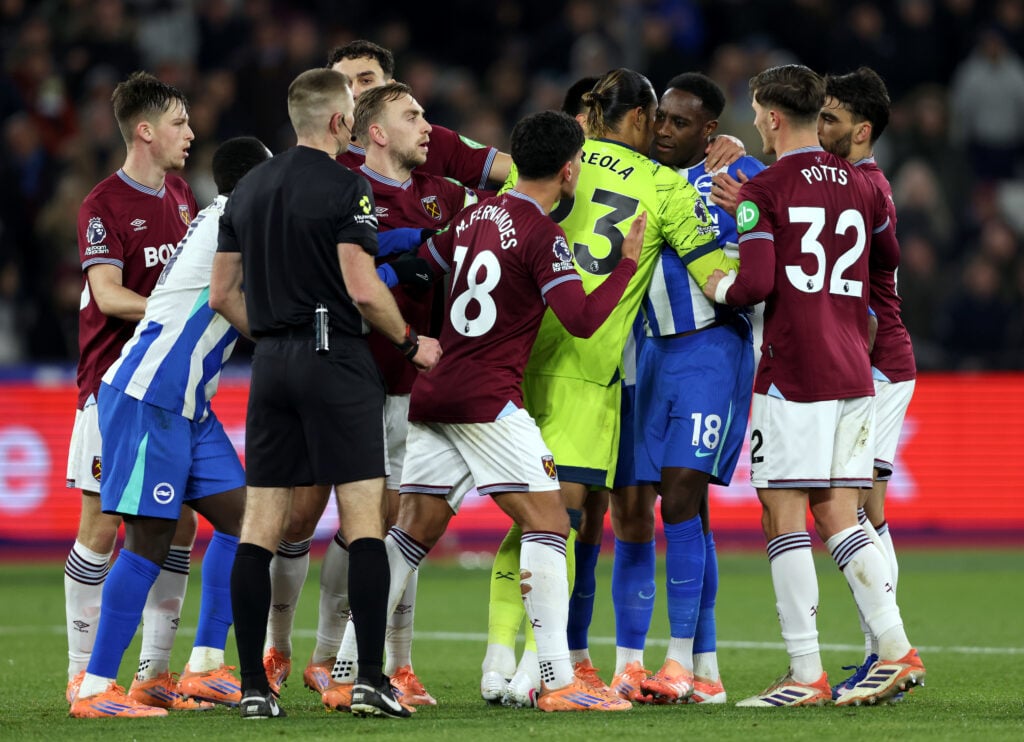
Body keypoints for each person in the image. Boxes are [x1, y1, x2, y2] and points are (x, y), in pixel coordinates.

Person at [481, 68, 735, 706]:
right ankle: (540, 673)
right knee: (559, 522)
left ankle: (495, 660)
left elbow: (503, 225)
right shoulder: (664, 186)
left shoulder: (556, 161)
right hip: (589, 367)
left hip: (513, 354)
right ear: (643, 119)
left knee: (494, 520)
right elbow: (717, 278)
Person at [388, 109, 645, 713]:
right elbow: (582, 321)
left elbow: (423, 271)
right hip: (488, 400)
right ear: (568, 169)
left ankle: (350, 666)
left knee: (410, 535)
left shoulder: (474, 212)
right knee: (552, 524)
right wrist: (626, 264)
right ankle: (557, 680)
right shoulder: (540, 232)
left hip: (435, 389)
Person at [209, 67, 441, 720]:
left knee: (261, 530)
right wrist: (408, 344)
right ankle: (370, 678)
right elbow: (364, 287)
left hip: (272, 366)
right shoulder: (348, 186)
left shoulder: (248, 187)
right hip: (335, 358)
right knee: (365, 522)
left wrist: (276, 336)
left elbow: (221, 294)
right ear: (341, 122)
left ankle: (254, 688)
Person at [702, 64, 925, 707]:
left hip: (795, 369)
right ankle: (894, 648)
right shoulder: (863, 185)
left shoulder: (764, 189)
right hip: (856, 368)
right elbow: (887, 259)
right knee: (839, 510)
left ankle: (806, 673)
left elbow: (753, 286)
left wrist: (714, 281)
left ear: (771, 117)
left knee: (783, 513)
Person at [69, 137, 271, 718]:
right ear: (256, 182)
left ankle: (205, 665)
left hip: (189, 405)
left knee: (244, 520)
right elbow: (240, 299)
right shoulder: (236, 217)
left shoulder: (223, 216)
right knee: (150, 540)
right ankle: (95, 687)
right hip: (151, 396)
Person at [314, 81, 480, 710]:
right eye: (412, 116)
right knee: (345, 525)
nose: (427, 126)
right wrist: (399, 255)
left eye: (426, 114)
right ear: (375, 132)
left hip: (419, 389)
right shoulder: (347, 190)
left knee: (398, 527)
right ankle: (327, 656)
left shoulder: (446, 194)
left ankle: (391, 664)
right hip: (357, 378)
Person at [601, 71, 763, 705]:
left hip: (710, 351)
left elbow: (759, 245)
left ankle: (678, 662)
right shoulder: (638, 173)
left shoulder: (736, 175)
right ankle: (689, 669)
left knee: (681, 501)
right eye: (659, 118)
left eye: (678, 122)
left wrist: (743, 193)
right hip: (645, 357)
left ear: (710, 131)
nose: (663, 130)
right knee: (641, 510)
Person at [63, 70, 203, 711]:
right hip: (111, 389)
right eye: (179, 122)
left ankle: (153, 673)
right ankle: (80, 673)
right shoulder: (103, 204)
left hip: (169, 390)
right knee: (101, 524)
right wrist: (168, 311)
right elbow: (106, 293)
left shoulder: (180, 194)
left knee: (179, 524)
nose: (190, 133)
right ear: (145, 131)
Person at [816, 66, 917, 702]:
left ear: (862, 129)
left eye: (829, 118)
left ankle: (888, 650)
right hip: (868, 363)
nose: (819, 126)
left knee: (857, 509)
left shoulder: (862, 187)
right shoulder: (857, 184)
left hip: (877, 368)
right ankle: (880, 649)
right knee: (866, 512)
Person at [328, 39, 511, 189]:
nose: (353, 92)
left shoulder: (433, 139)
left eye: (366, 80)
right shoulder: (324, 161)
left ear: (391, 88)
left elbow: (523, 174)